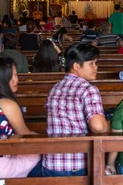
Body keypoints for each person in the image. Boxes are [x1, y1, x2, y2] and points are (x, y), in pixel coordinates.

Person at [42, 44, 108, 177]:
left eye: (95, 63)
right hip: (78, 164)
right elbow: (98, 127)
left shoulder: (54, 88)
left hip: (51, 163)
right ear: (76, 66)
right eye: (91, 63)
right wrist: (108, 125)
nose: (96, 67)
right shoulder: (88, 89)